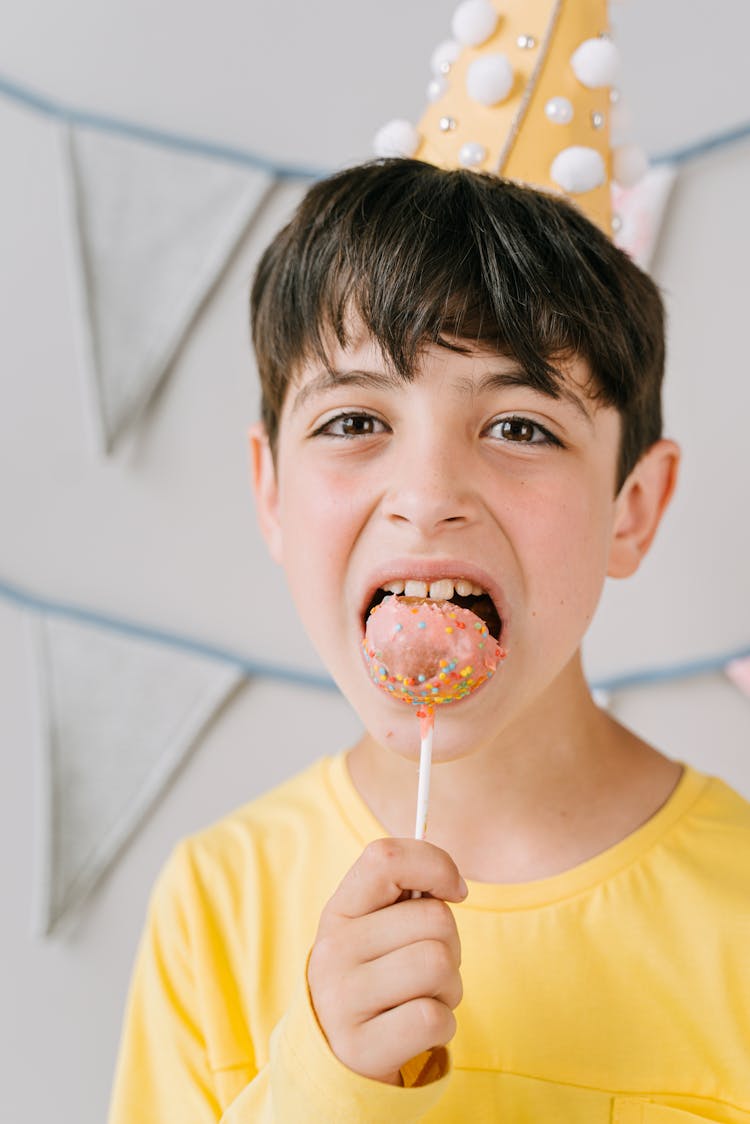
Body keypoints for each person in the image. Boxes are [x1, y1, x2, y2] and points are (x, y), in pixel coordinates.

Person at [107, 160, 750, 1123]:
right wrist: (327, 1085)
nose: (427, 496)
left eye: (521, 426)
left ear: (633, 508)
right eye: (356, 419)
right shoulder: (218, 902)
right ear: (272, 490)